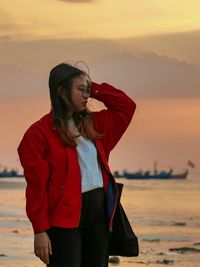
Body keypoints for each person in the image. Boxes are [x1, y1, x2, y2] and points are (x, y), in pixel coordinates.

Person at [17, 62, 137, 267]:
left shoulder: (95, 125)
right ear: (62, 93)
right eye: (81, 89)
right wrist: (39, 230)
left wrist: (95, 88)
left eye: (87, 89)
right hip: (62, 221)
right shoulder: (38, 134)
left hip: (99, 217)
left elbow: (127, 107)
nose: (86, 95)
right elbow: (36, 187)